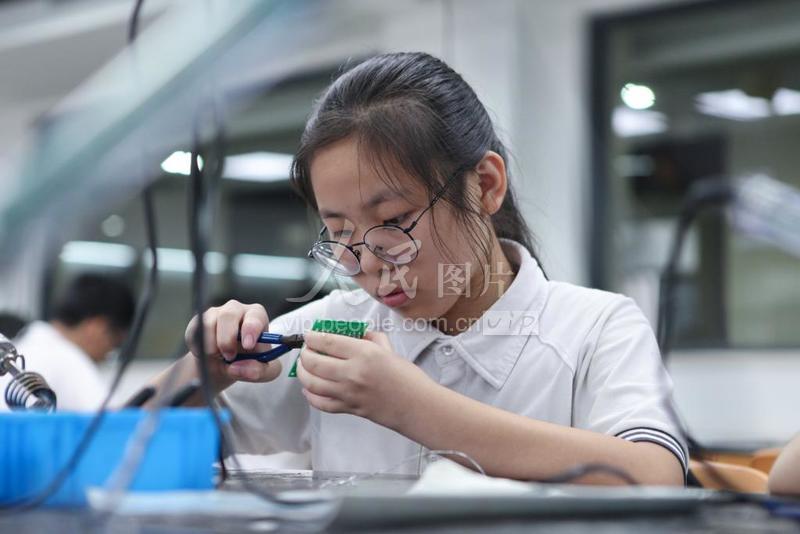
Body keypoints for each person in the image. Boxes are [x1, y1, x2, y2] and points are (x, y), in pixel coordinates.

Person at [151, 52, 687, 485]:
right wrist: (201, 375)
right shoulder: (328, 333)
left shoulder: (592, 330)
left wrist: (412, 406)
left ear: (486, 186)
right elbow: (133, 449)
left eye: (394, 221)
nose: (368, 263)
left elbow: (653, 474)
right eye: (340, 233)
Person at [0, 274, 135, 411]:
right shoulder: (68, 358)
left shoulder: (24, 342)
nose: (107, 355)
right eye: (115, 344)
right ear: (97, 328)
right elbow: (111, 419)